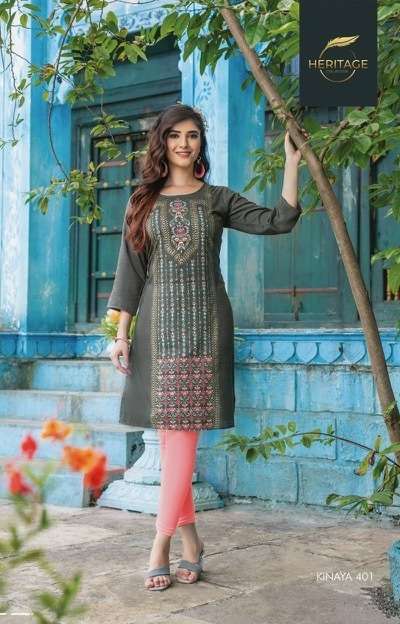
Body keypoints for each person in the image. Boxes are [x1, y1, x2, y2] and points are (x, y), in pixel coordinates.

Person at [108, 103, 305, 591]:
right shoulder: (142, 202)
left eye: (192, 135)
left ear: (201, 143)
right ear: (162, 141)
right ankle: (190, 541)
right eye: (175, 135)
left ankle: (159, 544)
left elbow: (278, 220)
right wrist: (121, 335)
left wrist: (292, 163)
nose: (183, 143)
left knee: (183, 439)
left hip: (205, 330)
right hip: (157, 334)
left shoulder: (217, 199)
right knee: (174, 442)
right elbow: (130, 273)